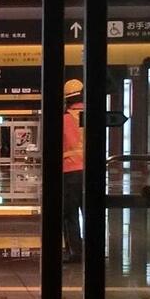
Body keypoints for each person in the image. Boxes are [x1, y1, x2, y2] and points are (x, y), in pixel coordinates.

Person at [62, 79, 85, 264]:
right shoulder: (90, 116)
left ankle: (75, 251)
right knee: (89, 213)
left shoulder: (64, 120)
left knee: (70, 215)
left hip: (69, 171)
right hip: (90, 172)